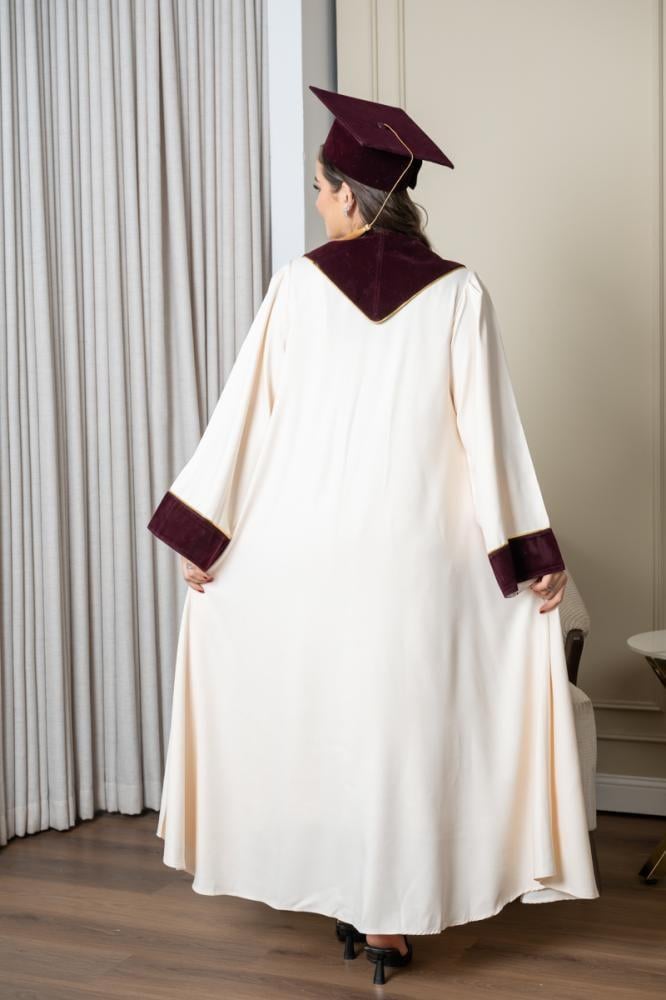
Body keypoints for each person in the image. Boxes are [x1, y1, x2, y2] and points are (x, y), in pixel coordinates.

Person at [148, 85, 599, 987]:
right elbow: (490, 433)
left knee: (326, 719)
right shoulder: (460, 292)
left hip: (307, 550)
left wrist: (207, 534)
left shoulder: (297, 285)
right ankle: (390, 919)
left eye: (321, 191)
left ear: (351, 200)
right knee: (403, 732)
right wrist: (529, 554)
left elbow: (246, 418)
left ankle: (344, 888)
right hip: (420, 555)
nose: (318, 206)